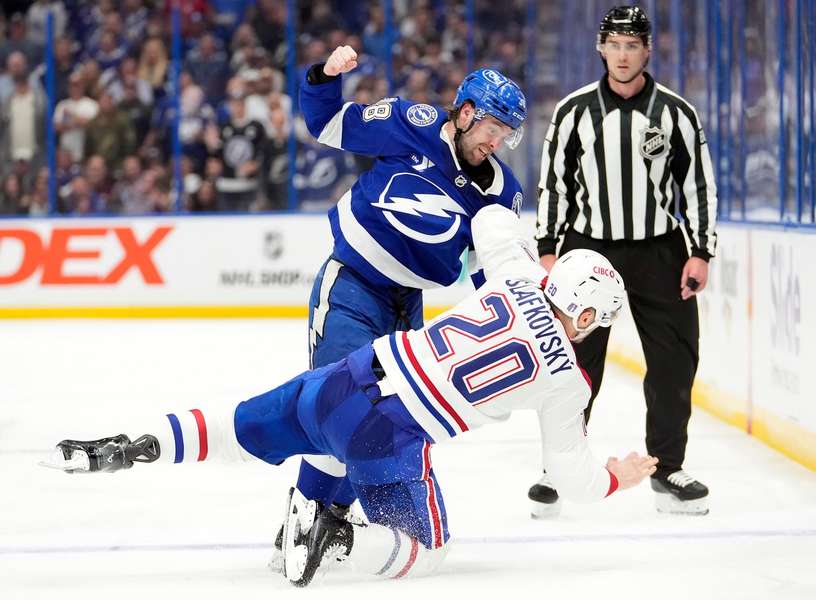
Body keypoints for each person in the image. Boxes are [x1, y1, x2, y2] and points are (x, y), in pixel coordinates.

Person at [42, 205, 658, 587]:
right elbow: (569, 476)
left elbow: (493, 223)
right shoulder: (568, 380)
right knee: (428, 552)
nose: (592, 330)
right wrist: (616, 476)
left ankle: (134, 444)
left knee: (233, 428)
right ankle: (335, 536)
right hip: (388, 435)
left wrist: (530, 254)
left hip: (353, 373)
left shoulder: (519, 273)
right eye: (595, 320)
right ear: (581, 311)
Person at [287, 44, 528, 556]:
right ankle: (306, 517)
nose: (497, 141)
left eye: (505, 134)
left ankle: (331, 516)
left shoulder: (503, 193)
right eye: (492, 128)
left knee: (383, 416)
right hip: (353, 282)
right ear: (465, 113)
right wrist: (325, 75)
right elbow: (326, 122)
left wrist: (525, 323)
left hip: (407, 305)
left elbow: (493, 274)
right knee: (337, 401)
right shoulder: (410, 123)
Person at [532, 5, 718, 517]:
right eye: (614, 44)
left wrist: (699, 251)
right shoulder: (573, 112)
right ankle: (559, 467)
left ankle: (668, 467)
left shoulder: (676, 113)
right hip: (590, 250)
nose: (621, 54)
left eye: (631, 45)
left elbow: (698, 186)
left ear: (647, 50)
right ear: (600, 48)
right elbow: (555, 185)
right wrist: (548, 250)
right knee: (573, 364)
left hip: (662, 251)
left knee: (673, 363)